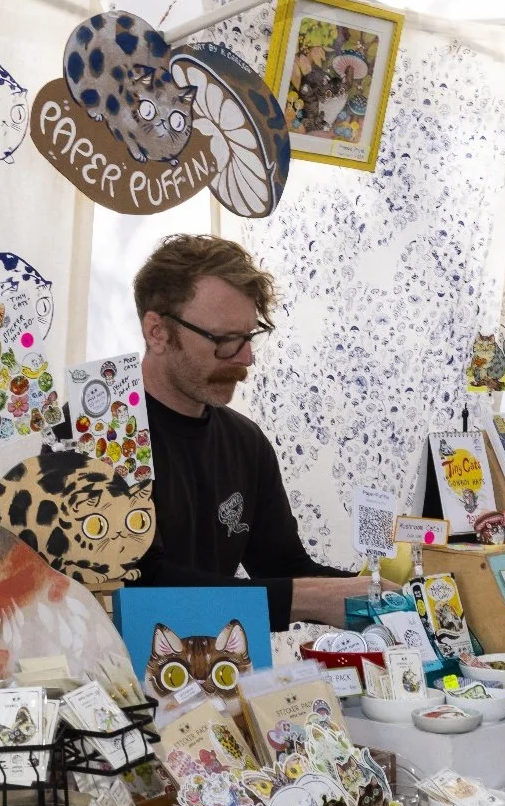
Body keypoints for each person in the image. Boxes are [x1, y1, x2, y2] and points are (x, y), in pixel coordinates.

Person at [128, 235, 352, 627]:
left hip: (221, 675)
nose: (245, 358)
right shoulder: (96, 434)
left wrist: (386, 592)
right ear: (157, 331)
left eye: (248, 337)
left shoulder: (246, 443)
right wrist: (310, 598)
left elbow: (283, 566)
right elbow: (139, 583)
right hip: (115, 682)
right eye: (224, 340)